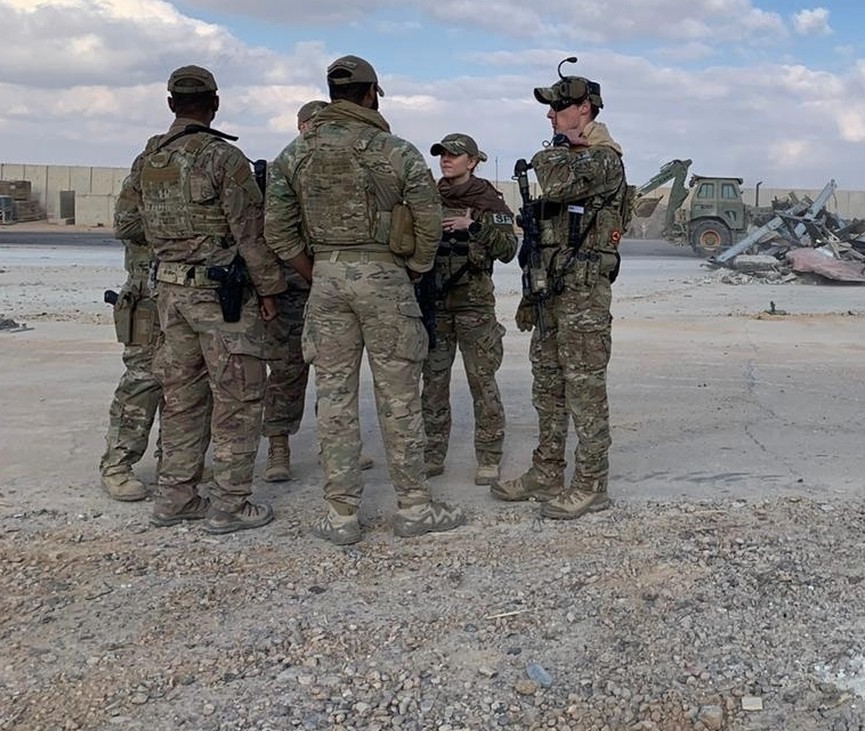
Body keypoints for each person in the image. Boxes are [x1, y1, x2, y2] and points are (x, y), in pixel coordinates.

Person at [264, 54, 464, 544]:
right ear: (373, 93)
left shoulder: (296, 153)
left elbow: (277, 229)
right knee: (398, 397)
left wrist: (317, 271)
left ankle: (341, 514)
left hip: (328, 280)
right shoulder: (395, 150)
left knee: (333, 397)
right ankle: (415, 506)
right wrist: (413, 269)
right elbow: (428, 220)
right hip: (386, 278)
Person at [120, 65, 286, 533]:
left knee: (181, 399)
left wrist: (172, 245)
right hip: (221, 298)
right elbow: (251, 234)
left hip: (169, 296)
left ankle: (175, 498)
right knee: (238, 397)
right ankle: (230, 505)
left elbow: (126, 225)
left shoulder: (149, 160)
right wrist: (270, 290)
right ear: (214, 105)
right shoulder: (223, 158)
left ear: (171, 103)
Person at [491, 64, 627, 520]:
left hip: (584, 296)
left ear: (584, 108)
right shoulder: (576, 154)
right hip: (552, 292)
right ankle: (547, 470)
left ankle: (591, 482)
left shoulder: (606, 159)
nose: (550, 115)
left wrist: (555, 153)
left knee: (584, 390)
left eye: (558, 106)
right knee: (548, 388)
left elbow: (553, 177)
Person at [262, 99, 373, 481]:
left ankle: (337, 451)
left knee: (335, 377)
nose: (313, 131)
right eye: (308, 125)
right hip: (294, 287)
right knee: (286, 372)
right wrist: (272, 289)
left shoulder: (345, 171)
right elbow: (271, 234)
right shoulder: (288, 168)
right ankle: (279, 448)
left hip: (332, 287)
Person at [422, 133, 517, 485]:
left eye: (454, 155)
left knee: (482, 382)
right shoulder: (427, 197)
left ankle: (489, 457)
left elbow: (508, 249)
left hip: (474, 306)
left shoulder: (488, 200)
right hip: (435, 305)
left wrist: (473, 225)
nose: (446, 160)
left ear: (472, 161)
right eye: (442, 154)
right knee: (432, 383)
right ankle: (432, 454)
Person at [99, 176, 162, 501]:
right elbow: (125, 226)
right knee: (142, 379)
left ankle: (176, 462)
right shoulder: (146, 169)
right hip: (148, 291)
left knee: (193, 380)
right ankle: (117, 465)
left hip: (192, 290)